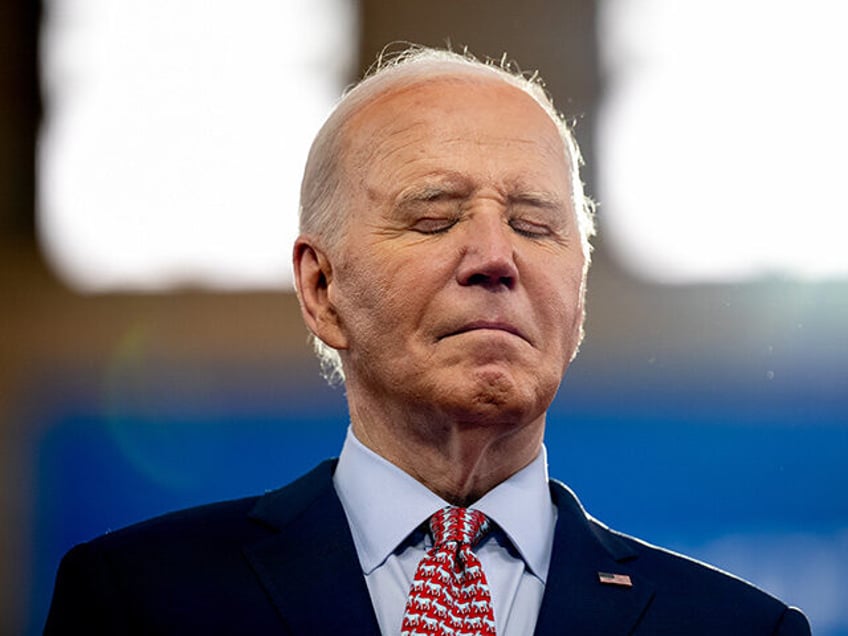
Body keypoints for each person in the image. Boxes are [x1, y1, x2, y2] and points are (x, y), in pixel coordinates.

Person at [44, 46, 810, 635]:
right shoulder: (138, 599)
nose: (495, 259)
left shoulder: (742, 628)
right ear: (321, 288)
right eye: (435, 218)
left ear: (577, 294)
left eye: (535, 225)